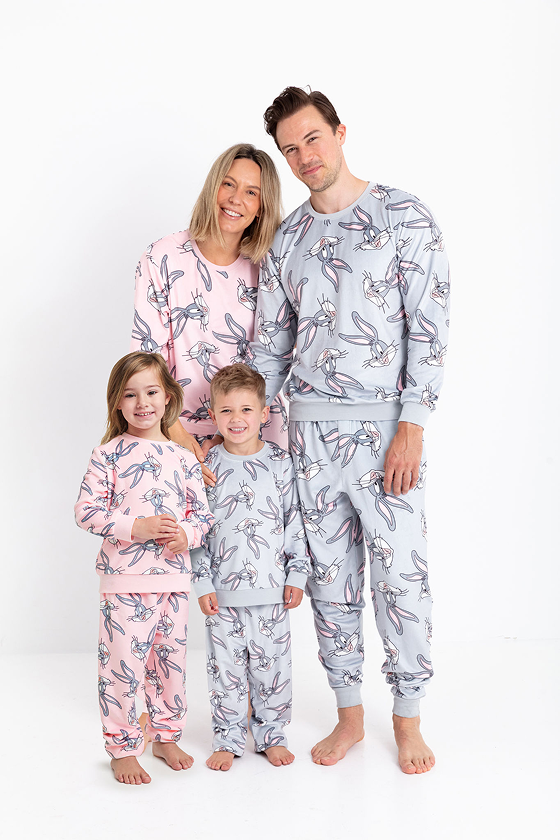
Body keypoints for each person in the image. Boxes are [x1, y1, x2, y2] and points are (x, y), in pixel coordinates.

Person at [247, 87, 450, 774]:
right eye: (290, 149)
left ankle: (408, 718)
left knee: (401, 581)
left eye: (312, 138)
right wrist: (243, 435)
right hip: (309, 438)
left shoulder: (403, 216)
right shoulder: (288, 240)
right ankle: (350, 716)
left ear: (339, 132)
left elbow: (428, 328)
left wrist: (412, 425)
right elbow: (270, 350)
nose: (304, 155)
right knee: (331, 584)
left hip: (385, 433)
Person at [74, 351, 214, 784]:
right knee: (122, 669)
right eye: (130, 394)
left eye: (151, 392)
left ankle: (165, 736)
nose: (142, 403)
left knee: (169, 664)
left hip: (174, 580)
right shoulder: (107, 455)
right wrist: (137, 528)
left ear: (168, 397)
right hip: (124, 581)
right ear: (117, 401)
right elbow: (86, 512)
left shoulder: (184, 457)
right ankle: (121, 748)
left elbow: (203, 517)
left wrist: (185, 535)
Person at [130, 143, 288, 485]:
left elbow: (275, 356)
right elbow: (147, 358)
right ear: (212, 186)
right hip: (174, 429)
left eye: (251, 192)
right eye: (228, 184)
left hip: (252, 433)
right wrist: (175, 431)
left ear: (261, 207)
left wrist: (228, 431)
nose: (235, 199)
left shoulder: (269, 266)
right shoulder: (161, 257)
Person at [190, 364, 310, 771]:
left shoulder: (280, 462)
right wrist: (203, 583)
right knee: (225, 671)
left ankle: (271, 733)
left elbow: (294, 521)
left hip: (272, 592)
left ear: (264, 413)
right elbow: (197, 529)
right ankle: (228, 737)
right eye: (226, 411)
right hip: (222, 596)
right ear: (212, 414)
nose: (236, 419)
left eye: (245, 410)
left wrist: (297, 574)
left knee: (271, 668)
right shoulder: (206, 466)